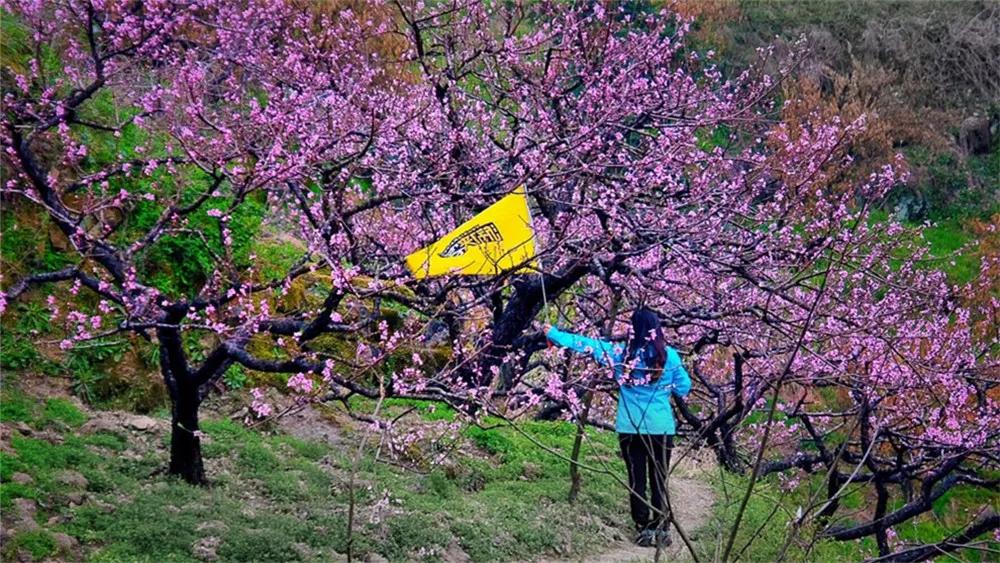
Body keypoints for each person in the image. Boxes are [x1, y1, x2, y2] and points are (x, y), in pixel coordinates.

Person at [545, 308, 692, 548]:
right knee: (659, 477)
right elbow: (684, 388)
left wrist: (554, 333)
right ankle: (662, 528)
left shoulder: (619, 355)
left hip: (630, 428)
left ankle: (643, 529)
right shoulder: (670, 357)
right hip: (661, 428)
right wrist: (665, 385)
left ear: (632, 330)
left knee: (636, 478)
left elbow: (585, 344)